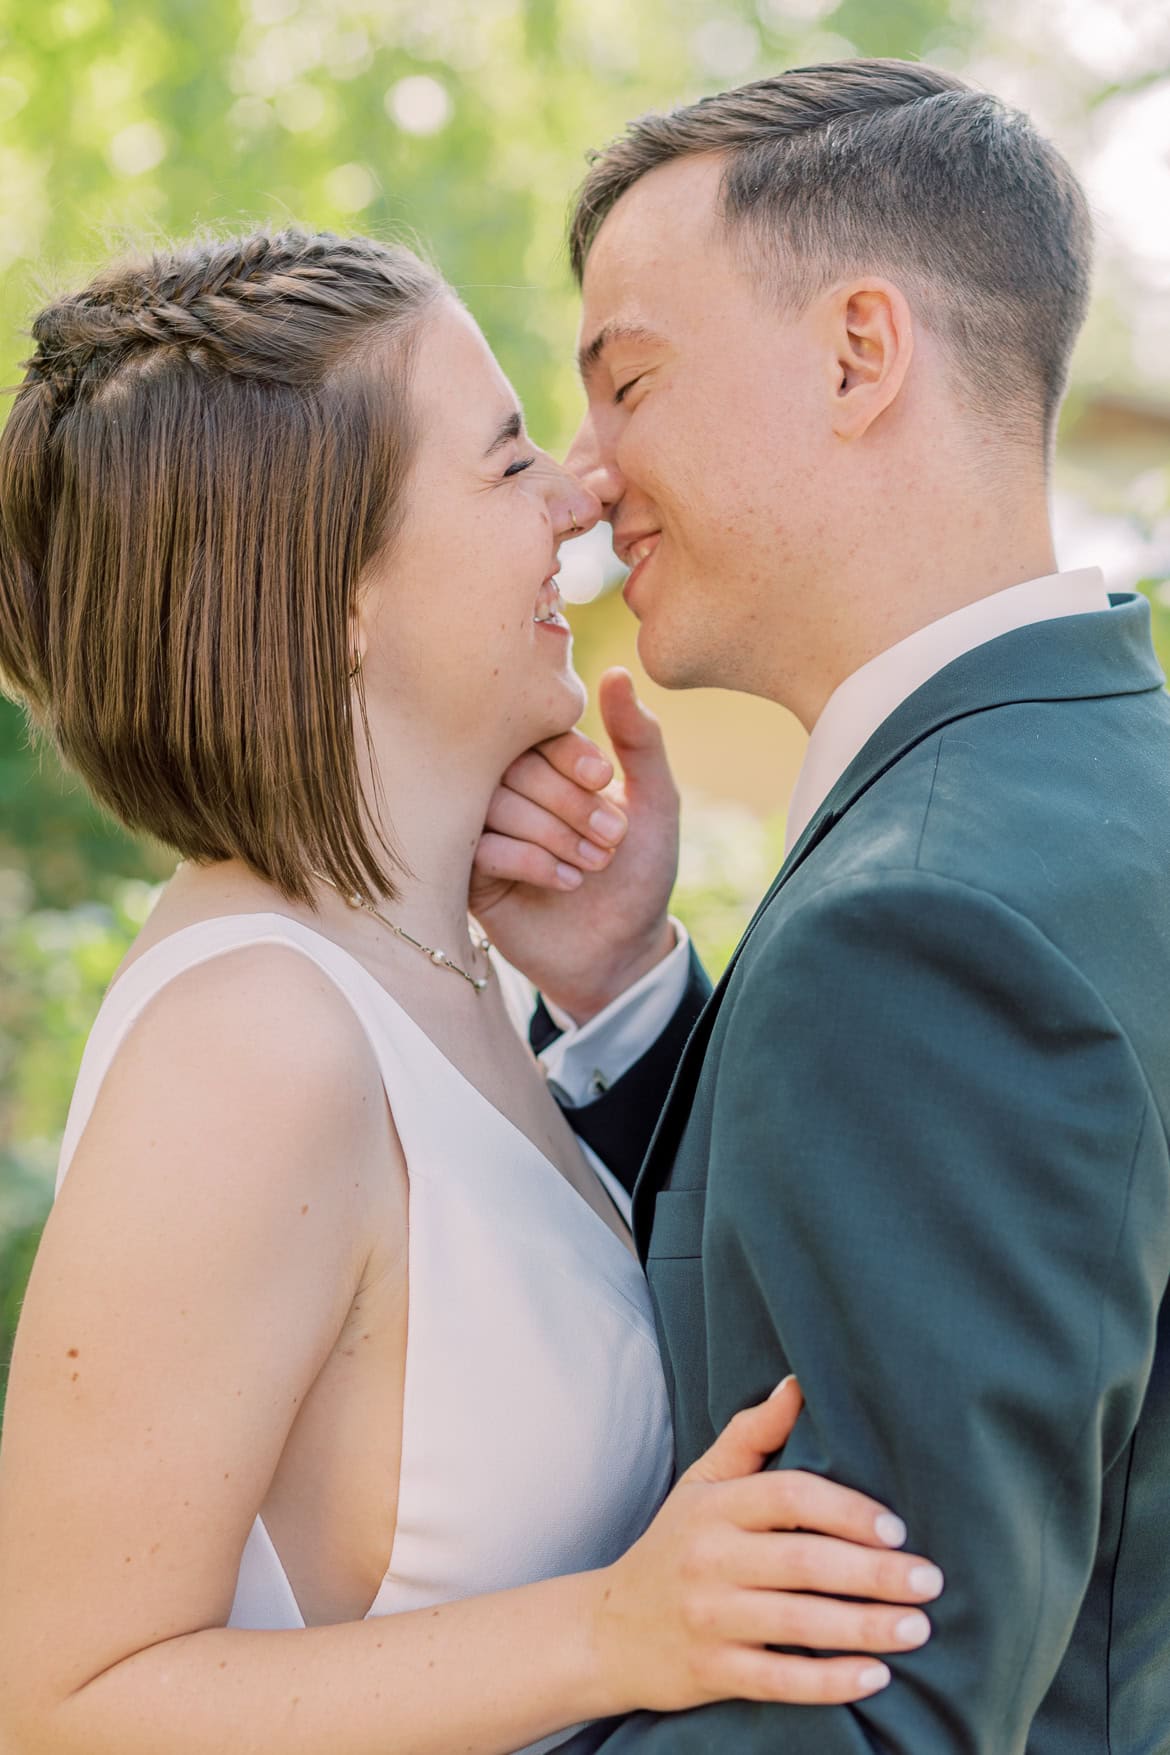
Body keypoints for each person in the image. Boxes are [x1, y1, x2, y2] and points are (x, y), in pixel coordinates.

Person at [0, 228, 945, 1755]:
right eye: (507, 463)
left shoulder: (428, 972)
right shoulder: (253, 1045)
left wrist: (608, 973)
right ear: (335, 590)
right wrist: (606, 1631)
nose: (580, 490)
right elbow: (62, 1706)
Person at [475, 57, 1170, 1753]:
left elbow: (871, 1717)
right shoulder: (1094, 784)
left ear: (858, 353)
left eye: (625, 382)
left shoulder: (925, 915)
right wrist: (631, 988)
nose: (585, 479)